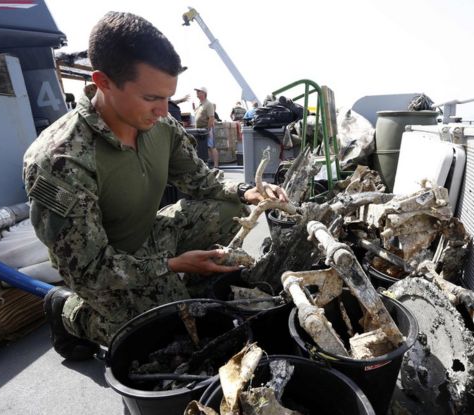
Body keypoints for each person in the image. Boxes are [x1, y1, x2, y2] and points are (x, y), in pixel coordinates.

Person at [22, 11, 287, 360]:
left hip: (153, 236)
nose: (164, 111)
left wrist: (247, 192)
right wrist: (175, 266)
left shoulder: (161, 128)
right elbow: (90, 269)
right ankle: (71, 313)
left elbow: (203, 183)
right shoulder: (60, 159)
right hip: (106, 269)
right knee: (163, 339)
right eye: (151, 99)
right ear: (103, 82)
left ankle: (177, 289)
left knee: (230, 210)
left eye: (168, 98)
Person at [193, 86, 219, 169]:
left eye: (198, 91)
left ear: (204, 93)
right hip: (199, 130)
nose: (197, 93)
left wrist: (208, 130)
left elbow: (211, 117)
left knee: (212, 147)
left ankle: (216, 165)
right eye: (196, 91)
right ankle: (209, 163)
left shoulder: (208, 104)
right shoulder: (200, 105)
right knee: (205, 147)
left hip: (207, 129)